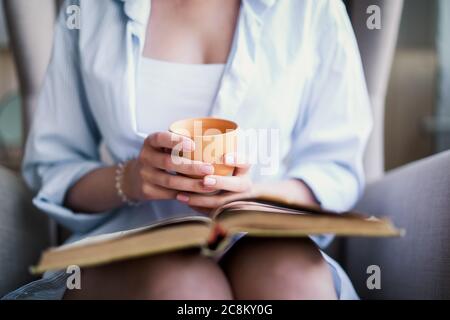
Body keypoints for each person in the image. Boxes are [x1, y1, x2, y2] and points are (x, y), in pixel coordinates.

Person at [3, 0, 371, 300]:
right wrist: (129, 179)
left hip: (264, 235)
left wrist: (255, 197)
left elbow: (334, 168)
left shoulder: (312, 9)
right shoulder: (90, 9)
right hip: (125, 244)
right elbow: (54, 168)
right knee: (187, 286)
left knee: (292, 280)